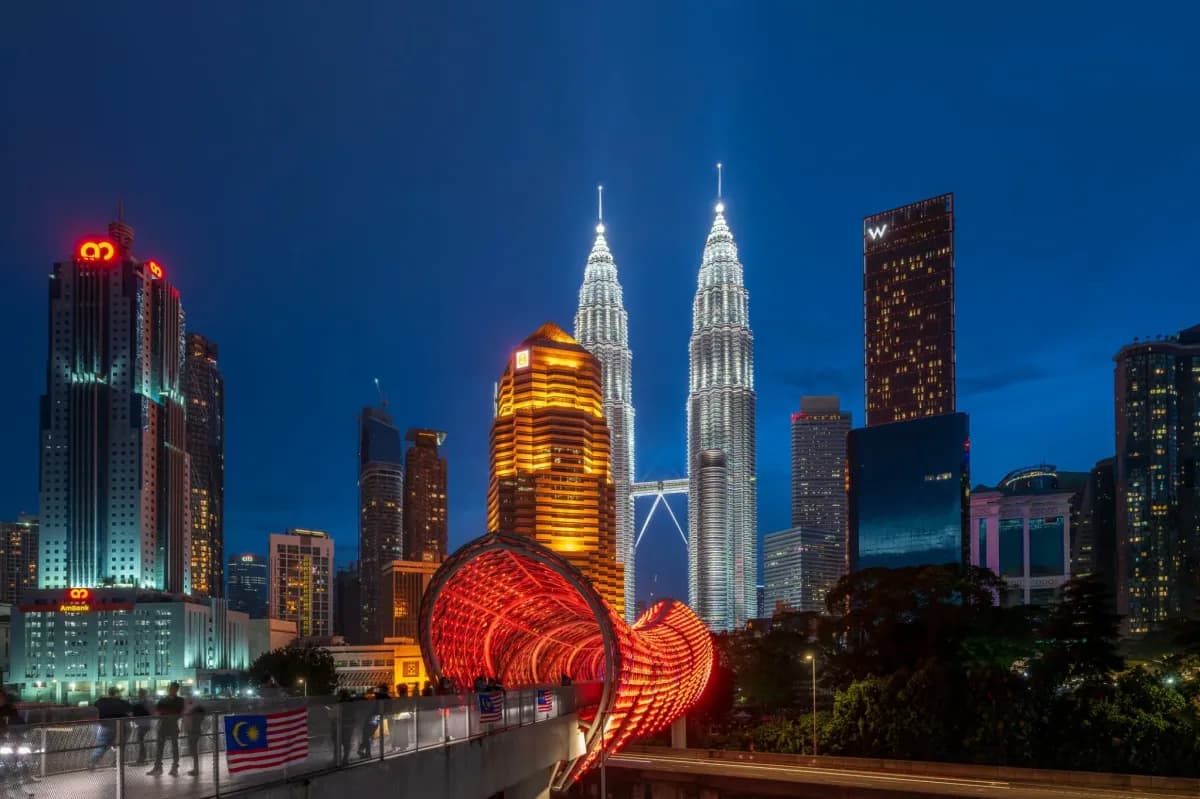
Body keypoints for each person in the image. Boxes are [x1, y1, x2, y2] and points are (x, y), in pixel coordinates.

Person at [146, 682, 185, 776]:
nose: (171, 690)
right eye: (171, 688)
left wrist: (163, 713)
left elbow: (158, 711)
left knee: (171, 747)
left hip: (168, 725)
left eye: (173, 688)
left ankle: (167, 768)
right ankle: (164, 767)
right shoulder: (178, 700)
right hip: (166, 725)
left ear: (176, 689)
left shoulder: (168, 700)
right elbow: (158, 711)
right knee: (163, 747)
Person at [88, 688, 132, 770]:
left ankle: (92, 763)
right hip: (119, 727)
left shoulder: (101, 701)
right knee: (120, 746)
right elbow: (129, 712)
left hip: (104, 725)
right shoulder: (123, 702)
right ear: (116, 693)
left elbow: (95, 705)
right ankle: (116, 763)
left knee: (101, 746)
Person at [183, 690, 206, 777]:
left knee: (193, 750)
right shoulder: (193, 706)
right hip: (192, 730)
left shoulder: (194, 708)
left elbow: (198, 714)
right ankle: (195, 768)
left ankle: (196, 769)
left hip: (193, 730)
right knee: (192, 750)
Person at [130, 689, 154, 766]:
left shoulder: (142, 702)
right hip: (145, 724)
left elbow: (135, 711)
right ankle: (142, 758)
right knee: (140, 741)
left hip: (143, 724)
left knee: (140, 741)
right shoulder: (147, 701)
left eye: (139, 693)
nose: (138, 694)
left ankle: (141, 759)